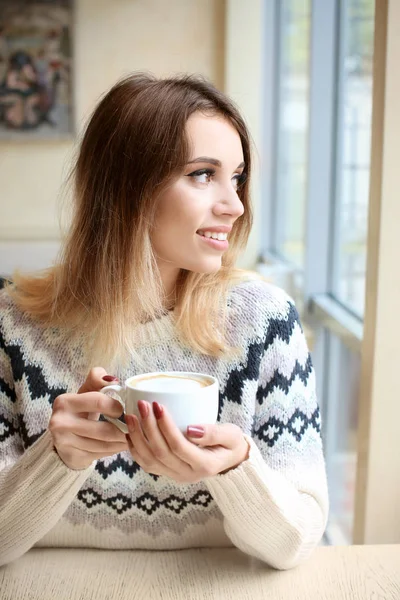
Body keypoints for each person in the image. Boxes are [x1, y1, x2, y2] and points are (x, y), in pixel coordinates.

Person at [0, 72, 328, 569]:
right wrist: (56, 458)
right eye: (203, 174)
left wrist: (237, 468)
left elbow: (296, 544)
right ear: (127, 188)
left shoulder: (265, 323)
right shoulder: (13, 326)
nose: (236, 205)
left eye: (237, 177)